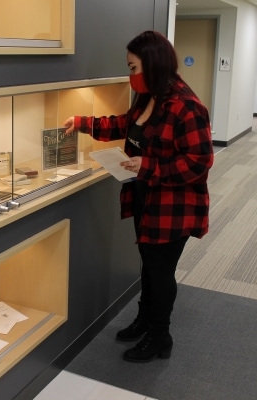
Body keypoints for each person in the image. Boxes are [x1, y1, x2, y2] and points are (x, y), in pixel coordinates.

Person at [63, 30, 214, 363]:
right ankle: (145, 320)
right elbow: (125, 125)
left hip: (174, 207)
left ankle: (160, 336)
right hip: (146, 196)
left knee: (161, 273)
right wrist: (82, 122)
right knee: (148, 266)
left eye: (133, 67)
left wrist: (150, 166)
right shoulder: (149, 97)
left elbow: (199, 164)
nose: (130, 75)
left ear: (153, 64)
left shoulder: (187, 107)